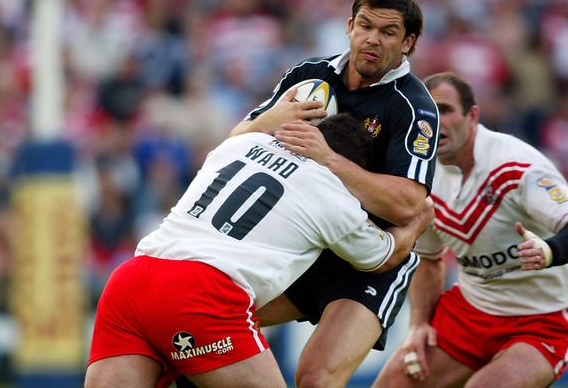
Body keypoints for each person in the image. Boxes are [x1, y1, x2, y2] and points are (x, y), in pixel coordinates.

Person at [184, 0, 438, 388]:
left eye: (388, 32)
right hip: (302, 245)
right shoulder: (310, 74)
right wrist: (273, 122)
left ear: (408, 42)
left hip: (369, 261)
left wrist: (328, 159)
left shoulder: (413, 107)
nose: (372, 39)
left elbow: (408, 205)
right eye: (365, 25)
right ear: (350, 26)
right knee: (202, 333)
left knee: (316, 377)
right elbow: (238, 140)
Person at [84, 113, 434, 388]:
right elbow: (385, 256)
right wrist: (417, 220)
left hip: (132, 280)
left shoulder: (239, 145)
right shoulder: (337, 195)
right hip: (202, 293)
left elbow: (244, 132)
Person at [373, 72, 568, 388]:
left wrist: (548, 250)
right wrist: (419, 324)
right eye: (429, 113)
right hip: (470, 311)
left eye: (446, 110)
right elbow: (428, 258)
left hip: (541, 320)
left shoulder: (516, 166)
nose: (437, 121)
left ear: (473, 116)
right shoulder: (422, 177)